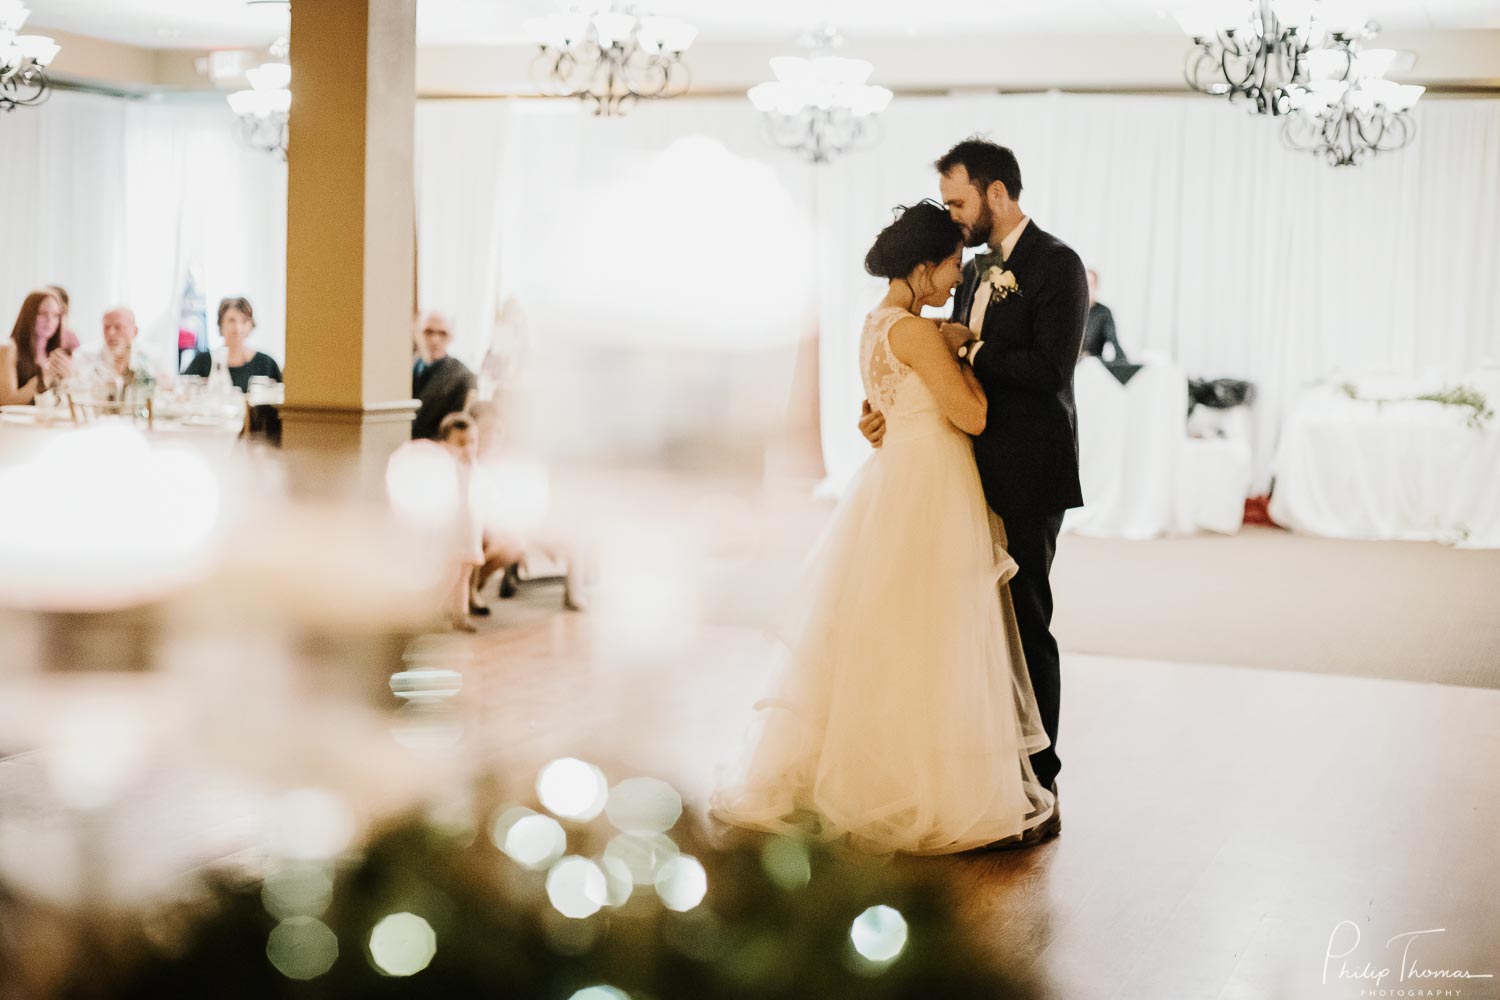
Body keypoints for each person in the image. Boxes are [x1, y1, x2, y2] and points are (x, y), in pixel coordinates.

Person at [712, 202, 1055, 855]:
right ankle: (922, 785)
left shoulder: (874, 326)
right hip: (931, 489)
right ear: (922, 269)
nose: (957, 280)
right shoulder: (921, 333)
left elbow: (882, 410)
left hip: (895, 481)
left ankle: (867, 770)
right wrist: (969, 355)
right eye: (952, 267)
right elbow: (973, 416)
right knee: (932, 633)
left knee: (888, 629)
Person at [858, 139, 1088, 847]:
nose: (955, 221)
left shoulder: (1057, 265)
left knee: (1024, 624)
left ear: (995, 192)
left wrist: (966, 349)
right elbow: (928, 363)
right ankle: (982, 772)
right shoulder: (976, 269)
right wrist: (892, 409)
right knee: (969, 633)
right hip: (959, 473)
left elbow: (1049, 368)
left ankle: (1039, 779)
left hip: (1025, 470)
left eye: (958, 202)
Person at [69, 307, 173, 400]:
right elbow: (76, 392)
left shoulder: (154, 355)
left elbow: (168, 391)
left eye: (118, 327)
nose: (111, 333)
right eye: (106, 327)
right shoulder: (84, 355)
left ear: (134, 331)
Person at [184, 297, 283, 391]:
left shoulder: (266, 364)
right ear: (221, 324)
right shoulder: (202, 363)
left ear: (251, 324)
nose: (238, 328)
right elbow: (181, 392)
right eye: (231, 320)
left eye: (244, 321)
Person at [411, 311, 475, 441]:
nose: (435, 340)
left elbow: (454, 429)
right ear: (417, 334)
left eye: (442, 334)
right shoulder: (403, 369)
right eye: (428, 332)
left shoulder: (462, 377)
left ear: (451, 338)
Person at [1, 289, 73, 405]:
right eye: (43, 313)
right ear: (29, 315)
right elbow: (7, 402)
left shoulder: (55, 354)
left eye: (56, 316)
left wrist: (69, 378)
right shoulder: (9, 349)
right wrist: (41, 379)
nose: (50, 320)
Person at [1080, 269, 1128, 362]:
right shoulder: (1071, 310)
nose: (1086, 288)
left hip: (1091, 364)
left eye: (1090, 284)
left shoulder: (1103, 312)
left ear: (1096, 287)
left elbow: (1113, 340)